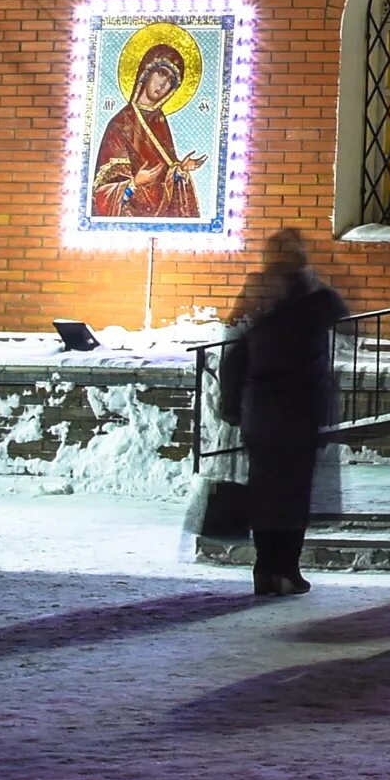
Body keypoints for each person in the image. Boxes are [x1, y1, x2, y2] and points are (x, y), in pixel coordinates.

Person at [220, 227, 346, 596]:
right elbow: (339, 312)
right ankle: (288, 568)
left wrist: (231, 405)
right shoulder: (313, 297)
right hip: (300, 408)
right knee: (294, 492)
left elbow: (236, 352)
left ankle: (265, 568)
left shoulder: (260, 295)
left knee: (264, 489)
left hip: (262, 409)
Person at [89, 36, 206, 220]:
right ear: (146, 73)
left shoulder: (159, 121)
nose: (162, 85)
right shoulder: (120, 123)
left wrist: (179, 170)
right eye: (160, 73)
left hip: (161, 214)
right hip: (130, 214)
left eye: (170, 81)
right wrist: (134, 183)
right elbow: (102, 188)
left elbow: (165, 176)